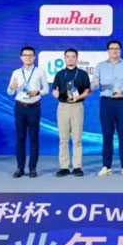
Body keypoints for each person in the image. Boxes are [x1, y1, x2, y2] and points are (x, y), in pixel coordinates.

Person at [92, 40, 123, 177]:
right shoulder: (100, 66)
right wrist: (95, 84)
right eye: (112, 48)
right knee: (107, 135)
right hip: (106, 103)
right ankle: (106, 166)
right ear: (108, 51)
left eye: (117, 48)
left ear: (120, 50)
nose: (115, 51)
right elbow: (93, 86)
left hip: (122, 102)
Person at [7, 46, 49, 178]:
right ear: (21, 58)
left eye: (30, 55)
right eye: (25, 55)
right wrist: (11, 88)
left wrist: (38, 92)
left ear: (34, 58)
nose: (28, 58)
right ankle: (20, 167)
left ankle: (32, 168)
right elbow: (9, 92)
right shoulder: (16, 72)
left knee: (34, 138)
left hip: (34, 108)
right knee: (20, 138)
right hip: (20, 107)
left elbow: (46, 89)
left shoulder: (40, 72)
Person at [52, 48, 91, 177]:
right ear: (64, 58)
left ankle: (77, 167)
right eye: (68, 56)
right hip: (63, 107)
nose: (70, 59)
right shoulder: (59, 74)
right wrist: (55, 93)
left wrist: (79, 97)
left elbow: (87, 91)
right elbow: (54, 90)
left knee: (77, 139)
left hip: (77, 107)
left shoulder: (82, 74)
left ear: (76, 58)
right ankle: (64, 167)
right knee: (63, 139)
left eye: (73, 56)